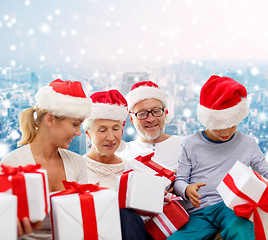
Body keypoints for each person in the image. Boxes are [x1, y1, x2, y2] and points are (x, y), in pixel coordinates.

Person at [168, 75, 268, 240]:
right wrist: (187, 189)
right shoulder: (190, 144)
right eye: (219, 127)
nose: (226, 132)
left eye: (232, 125)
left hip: (231, 207)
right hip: (199, 212)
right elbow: (180, 180)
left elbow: (265, 174)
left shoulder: (248, 143)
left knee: (240, 229)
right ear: (206, 120)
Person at [0, 79, 92, 239]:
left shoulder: (77, 163)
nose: (78, 133)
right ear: (50, 120)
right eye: (75, 124)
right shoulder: (12, 164)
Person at [83, 89, 146, 240]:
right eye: (102, 130)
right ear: (88, 134)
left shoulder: (131, 170)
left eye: (116, 129)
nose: (111, 137)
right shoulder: (77, 167)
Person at [116, 80, 182, 172]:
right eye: (142, 114)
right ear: (131, 119)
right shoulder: (122, 154)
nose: (150, 119)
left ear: (165, 113)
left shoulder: (185, 146)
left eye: (156, 111)